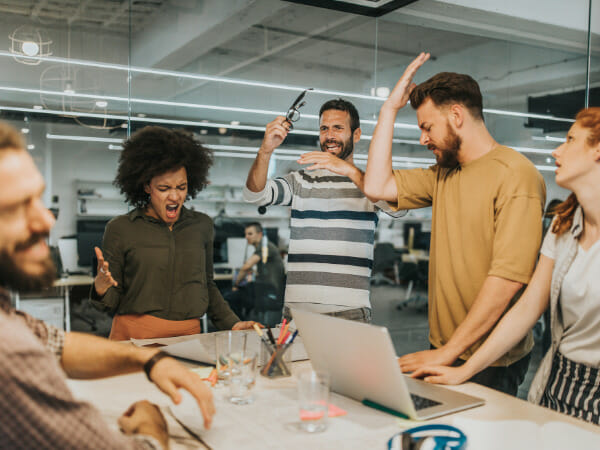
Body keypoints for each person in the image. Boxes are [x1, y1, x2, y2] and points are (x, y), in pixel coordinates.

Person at [0, 122, 215, 449]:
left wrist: (149, 361)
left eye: (38, 198)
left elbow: (55, 342)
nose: (47, 221)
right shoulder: (9, 355)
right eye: (17, 205)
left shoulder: (9, 321)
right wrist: (152, 428)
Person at [364, 53, 546, 395]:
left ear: (457, 116)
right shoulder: (443, 174)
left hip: (491, 359)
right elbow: (376, 186)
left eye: (426, 127)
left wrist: (449, 353)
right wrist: (389, 109)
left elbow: (507, 280)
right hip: (444, 346)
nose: (423, 139)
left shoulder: (516, 175)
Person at [412, 108, 600, 424]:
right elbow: (527, 308)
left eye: (570, 140)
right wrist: (463, 371)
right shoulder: (562, 227)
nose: (557, 150)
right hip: (558, 385)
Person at [90, 126, 258, 340]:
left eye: (181, 187)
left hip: (189, 338)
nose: (175, 197)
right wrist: (101, 287)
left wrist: (232, 323)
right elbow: (110, 299)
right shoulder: (121, 228)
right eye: (164, 188)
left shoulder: (201, 226)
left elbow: (207, 285)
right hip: (134, 337)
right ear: (147, 186)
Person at [244, 98, 404, 323]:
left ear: (356, 135)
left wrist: (349, 171)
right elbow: (254, 195)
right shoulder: (299, 180)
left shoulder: (370, 184)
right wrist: (265, 150)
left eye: (338, 128)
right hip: (298, 310)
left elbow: (398, 209)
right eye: (324, 128)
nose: (329, 135)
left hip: (350, 311)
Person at [226, 222, 285, 319]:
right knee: (240, 294)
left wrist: (236, 285)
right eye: (245, 234)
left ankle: (240, 324)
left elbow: (246, 266)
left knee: (229, 297)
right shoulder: (264, 247)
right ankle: (244, 321)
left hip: (269, 292)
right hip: (266, 289)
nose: (246, 237)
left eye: (250, 234)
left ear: (260, 234)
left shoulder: (265, 247)